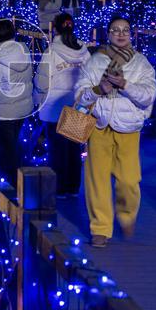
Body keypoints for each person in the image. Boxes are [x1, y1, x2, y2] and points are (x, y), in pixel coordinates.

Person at [74, 17, 156, 247]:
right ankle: (100, 228)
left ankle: (127, 214)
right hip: (99, 126)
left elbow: (149, 95)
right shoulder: (95, 62)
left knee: (129, 181)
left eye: (125, 30)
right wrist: (99, 89)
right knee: (96, 180)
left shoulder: (141, 64)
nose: (121, 34)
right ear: (108, 34)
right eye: (115, 30)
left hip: (128, 128)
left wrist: (125, 85)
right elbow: (79, 94)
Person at [35, 13, 92, 197]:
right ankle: (73, 187)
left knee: (57, 150)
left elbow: (42, 81)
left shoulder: (51, 52)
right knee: (74, 148)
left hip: (54, 107)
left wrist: (38, 100)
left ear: (56, 29)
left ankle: (59, 188)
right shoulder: (84, 51)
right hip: (78, 103)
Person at [0, 19, 34, 181]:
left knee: (6, 148)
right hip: (23, 106)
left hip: (4, 110)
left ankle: (11, 184)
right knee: (15, 144)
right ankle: (20, 177)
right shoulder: (23, 50)